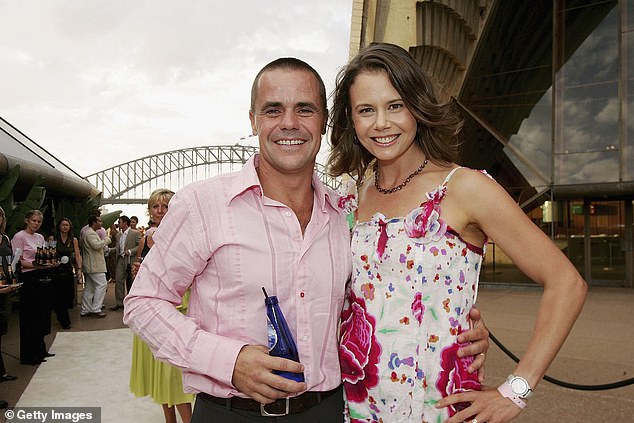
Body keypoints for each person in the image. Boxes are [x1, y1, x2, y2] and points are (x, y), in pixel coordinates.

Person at [124, 57, 489, 423]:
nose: (289, 123)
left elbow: (373, 301)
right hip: (232, 413)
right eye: (273, 110)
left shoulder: (345, 212)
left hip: (329, 411)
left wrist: (452, 327)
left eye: (304, 109)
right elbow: (143, 302)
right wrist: (228, 361)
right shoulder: (202, 204)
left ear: (324, 121)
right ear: (252, 120)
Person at [327, 43, 588, 423]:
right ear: (352, 121)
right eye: (366, 110)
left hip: (439, 411)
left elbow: (567, 283)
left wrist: (516, 390)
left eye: (395, 105)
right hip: (356, 408)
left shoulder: (463, 187)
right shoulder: (352, 200)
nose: (381, 123)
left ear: (417, 107)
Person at [129, 189, 193, 423]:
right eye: (156, 206)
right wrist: (139, 271)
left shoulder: (184, 236)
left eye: (165, 206)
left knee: (174, 378)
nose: (160, 211)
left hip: (175, 309)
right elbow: (143, 267)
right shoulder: (147, 237)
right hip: (151, 308)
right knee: (159, 377)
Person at [11, 210, 56, 365]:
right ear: (27, 220)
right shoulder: (19, 237)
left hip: (42, 276)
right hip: (28, 277)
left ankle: (40, 349)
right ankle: (28, 355)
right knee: (29, 316)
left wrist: (49, 263)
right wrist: (36, 264)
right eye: (34, 221)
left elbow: (44, 255)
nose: (36, 224)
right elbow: (18, 260)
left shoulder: (40, 237)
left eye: (39, 221)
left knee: (41, 314)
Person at [51, 218, 82, 329]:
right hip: (56, 270)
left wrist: (79, 268)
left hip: (68, 270)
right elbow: (50, 252)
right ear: (59, 226)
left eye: (67, 225)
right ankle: (64, 320)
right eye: (63, 225)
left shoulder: (73, 240)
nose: (65, 227)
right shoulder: (53, 239)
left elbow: (77, 255)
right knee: (58, 296)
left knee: (68, 296)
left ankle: (62, 313)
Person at [0, 206, 19, 382]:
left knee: (2, 328)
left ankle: (1, 372)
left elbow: (10, 261)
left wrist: (12, 280)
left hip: (5, 288)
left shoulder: (5, 238)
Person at [80, 215, 111, 318]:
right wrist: (107, 239)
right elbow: (96, 246)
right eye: (100, 221)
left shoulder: (89, 232)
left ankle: (86, 309)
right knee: (102, 285)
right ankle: (96, 309)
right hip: (95, 265)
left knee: (89, 287)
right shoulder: (90, 234)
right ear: (94, 222)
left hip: (91, 265)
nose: (101, 223)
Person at [109, 215, 140, 311]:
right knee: (118, 281)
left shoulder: (135, 233)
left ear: (125, 223)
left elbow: (140, 246)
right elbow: (118, 248)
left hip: (131, 260)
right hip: (121, 260)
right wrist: (110, 250)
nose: (118, 224)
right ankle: (119, 303)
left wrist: (130, 251)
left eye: (119, 222)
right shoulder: (118, 235)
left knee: (132, 282)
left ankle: (132, 303)